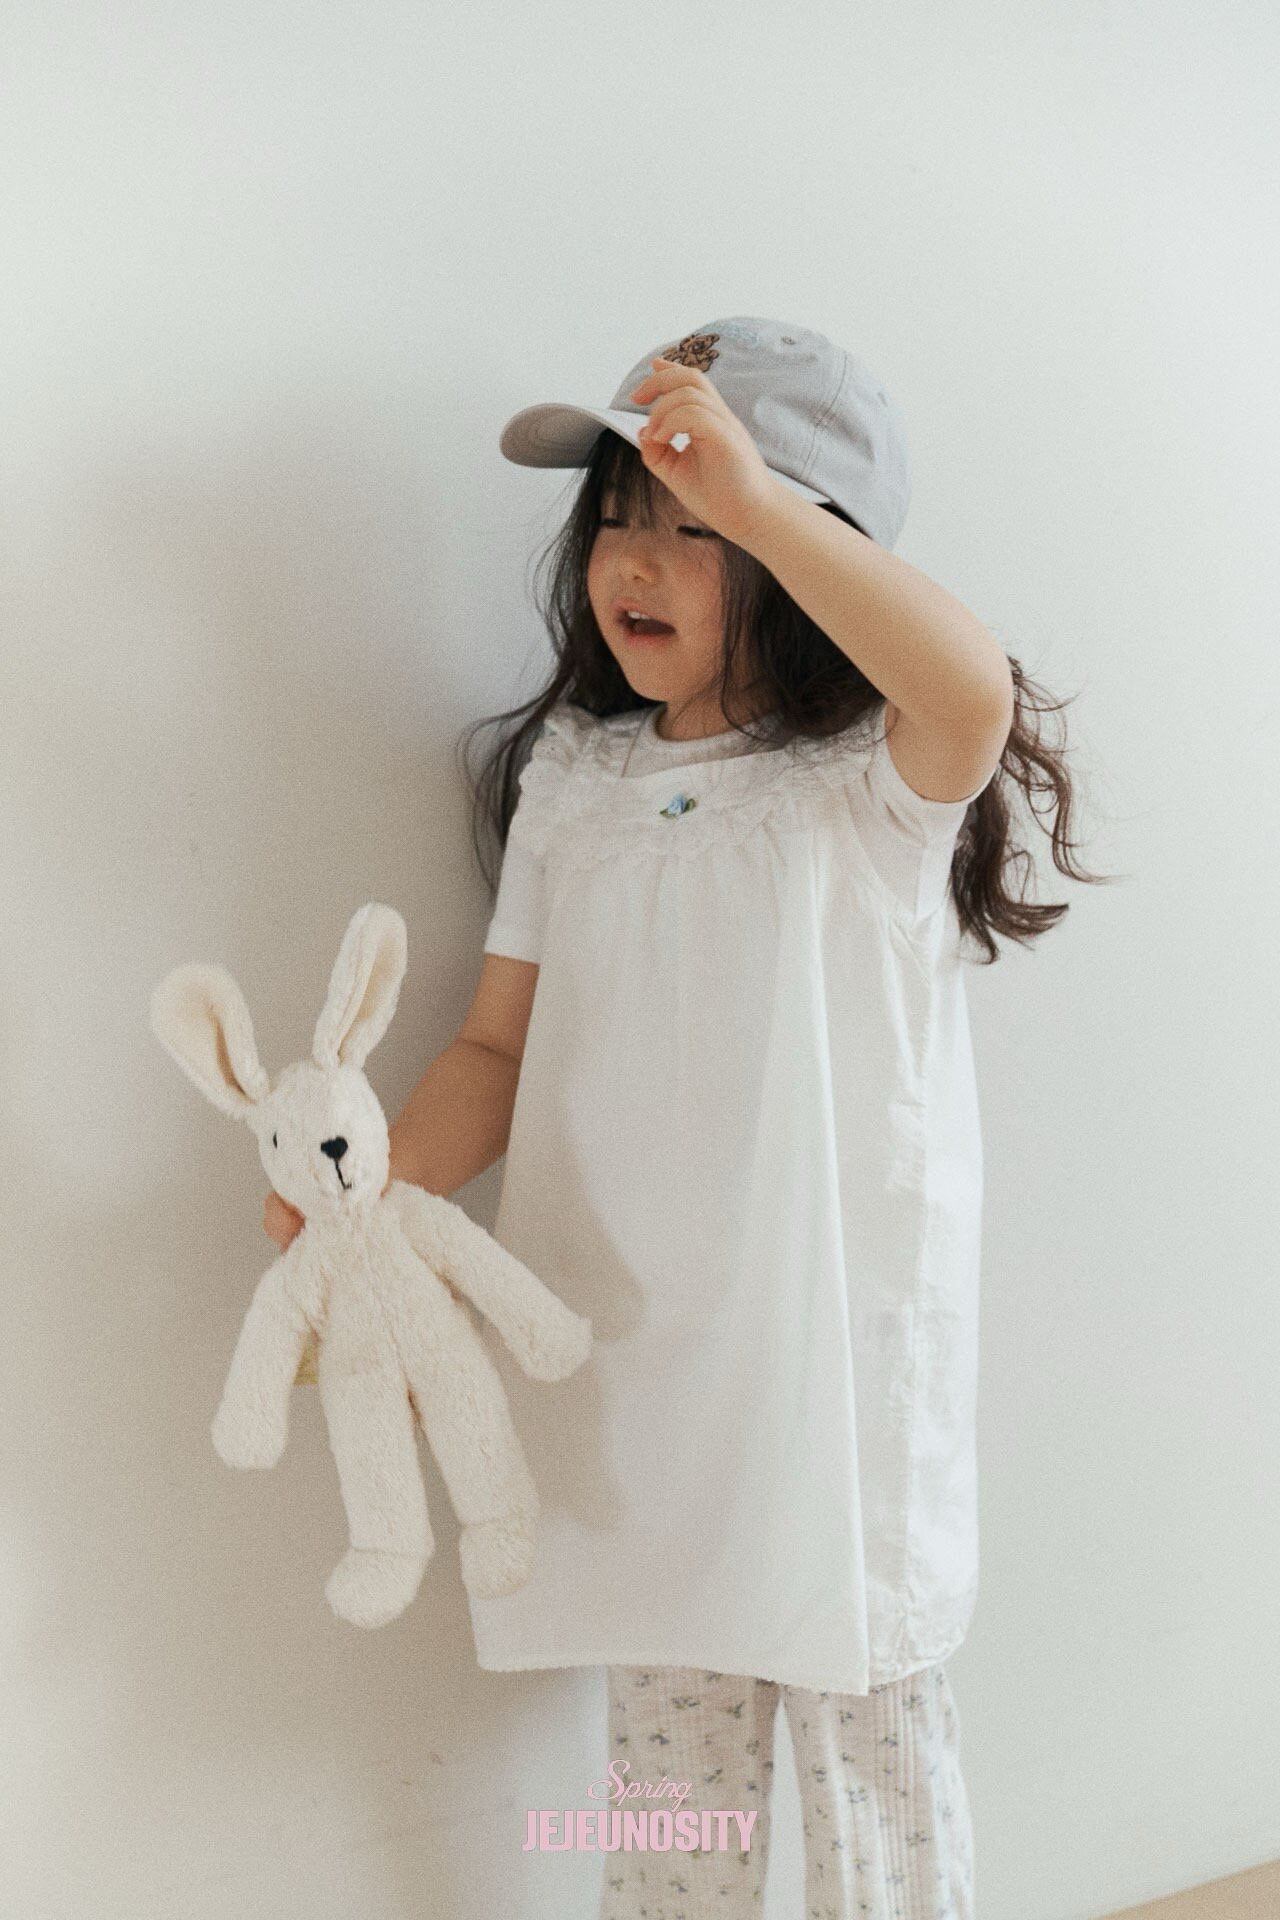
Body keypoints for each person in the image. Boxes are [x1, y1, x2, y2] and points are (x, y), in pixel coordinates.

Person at [265, 318, 1106, 1918]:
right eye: (619, 518)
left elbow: (968, 688)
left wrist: (756, 499)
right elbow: (496, 1049)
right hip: (645, 1374)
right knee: (667, 1789)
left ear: (803, 552)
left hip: (838, 1392)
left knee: (875, 1783)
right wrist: (367, 1200)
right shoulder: (576, 782)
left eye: (694, 526)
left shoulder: (870, 784)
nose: (637, 561)